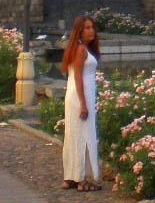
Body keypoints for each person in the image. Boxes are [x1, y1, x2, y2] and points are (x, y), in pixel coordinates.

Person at [61, 15, 102, 192]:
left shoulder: (80, 49)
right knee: (83, 136)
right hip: (80, 96)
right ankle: (81, 178)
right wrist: (83, 104)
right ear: (79, 31)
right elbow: (78, 77)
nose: (91, 30)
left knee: (75, 135)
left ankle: (71, 176)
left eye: (92, 27)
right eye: (87, 28)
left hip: (78, 96)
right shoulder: (80, 50)